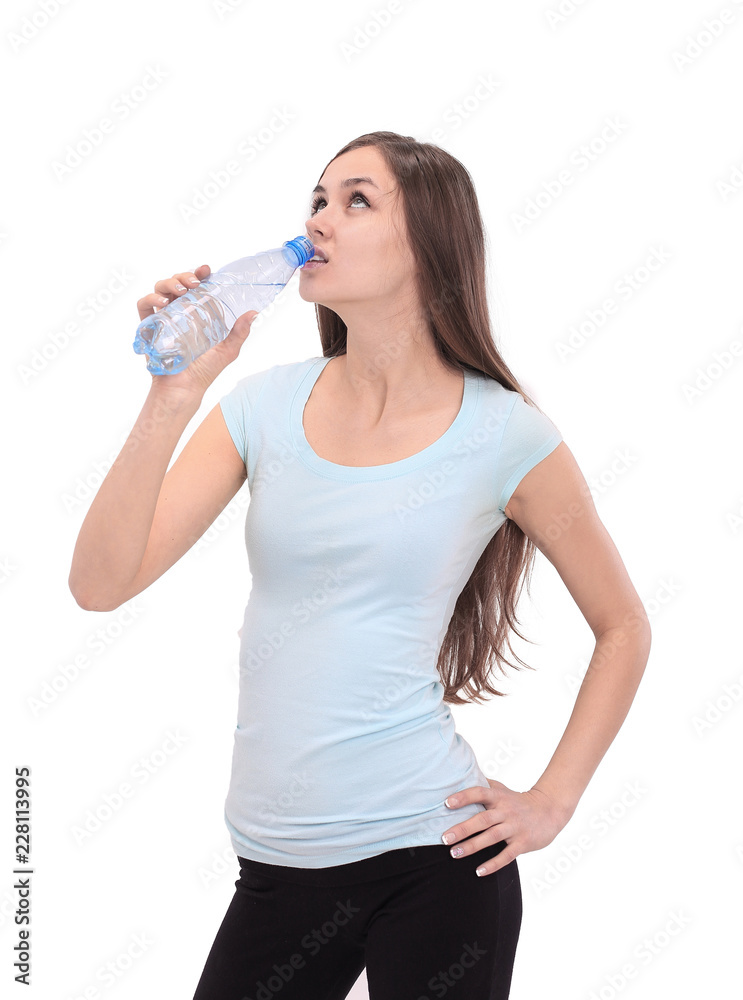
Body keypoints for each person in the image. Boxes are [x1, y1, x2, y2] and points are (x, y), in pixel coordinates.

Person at [68, 131, 652, 1000]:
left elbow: (622, 626)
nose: (318, 221)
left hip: (436, 856)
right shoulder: (260, 408)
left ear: (427, 245)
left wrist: (551, 801)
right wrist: (173, 396)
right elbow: (99, 585)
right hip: (274, 865)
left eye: (356, 200)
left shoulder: (505, 434)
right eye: (315, 199)